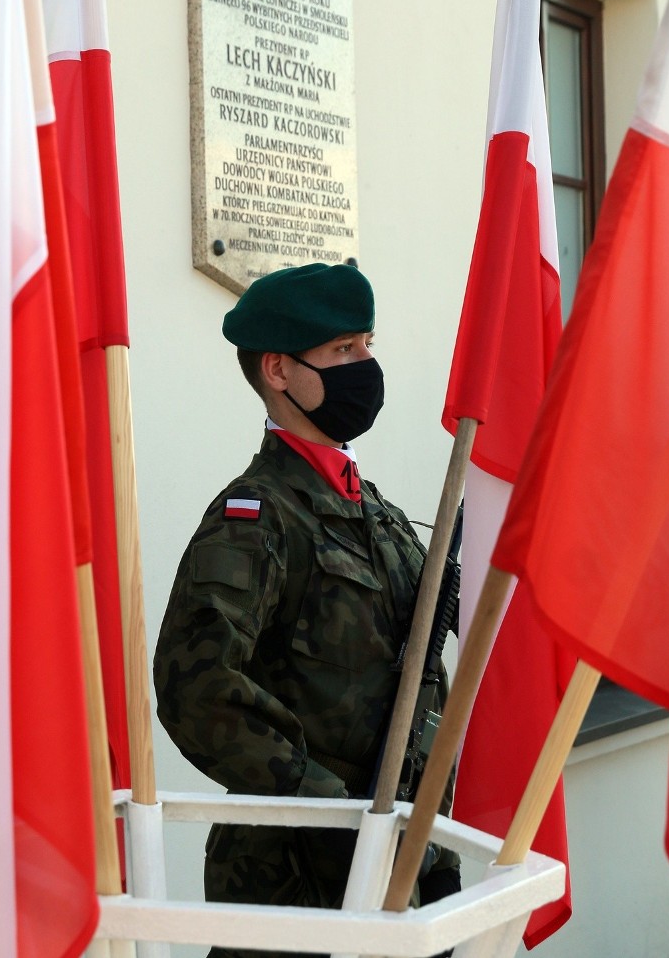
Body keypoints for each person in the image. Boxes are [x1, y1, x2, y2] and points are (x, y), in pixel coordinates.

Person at [153, 263, 459, 952]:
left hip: (399, 867)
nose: (365, 365)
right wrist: (330, 810)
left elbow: (418, 684)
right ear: (279, 371)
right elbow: (197, 690)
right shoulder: (255, 518)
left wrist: (429, 850)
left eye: (367, 345)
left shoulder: (375, 510)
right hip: (292, 887)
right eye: (342, 351)